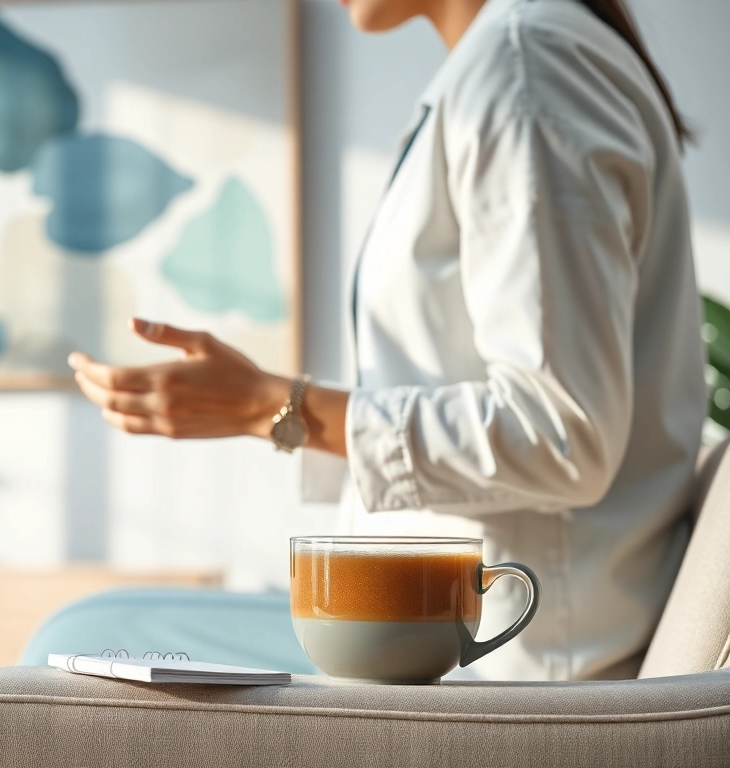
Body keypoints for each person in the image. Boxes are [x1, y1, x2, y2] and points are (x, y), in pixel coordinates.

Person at [68, 0, 704, 682]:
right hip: (461, 630)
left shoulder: (527, 63)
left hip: (515, 659)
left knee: (90, 634)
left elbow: (559, 432)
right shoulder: (512, 60)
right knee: (86, 627)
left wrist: (276, 408)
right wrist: (276, 412)